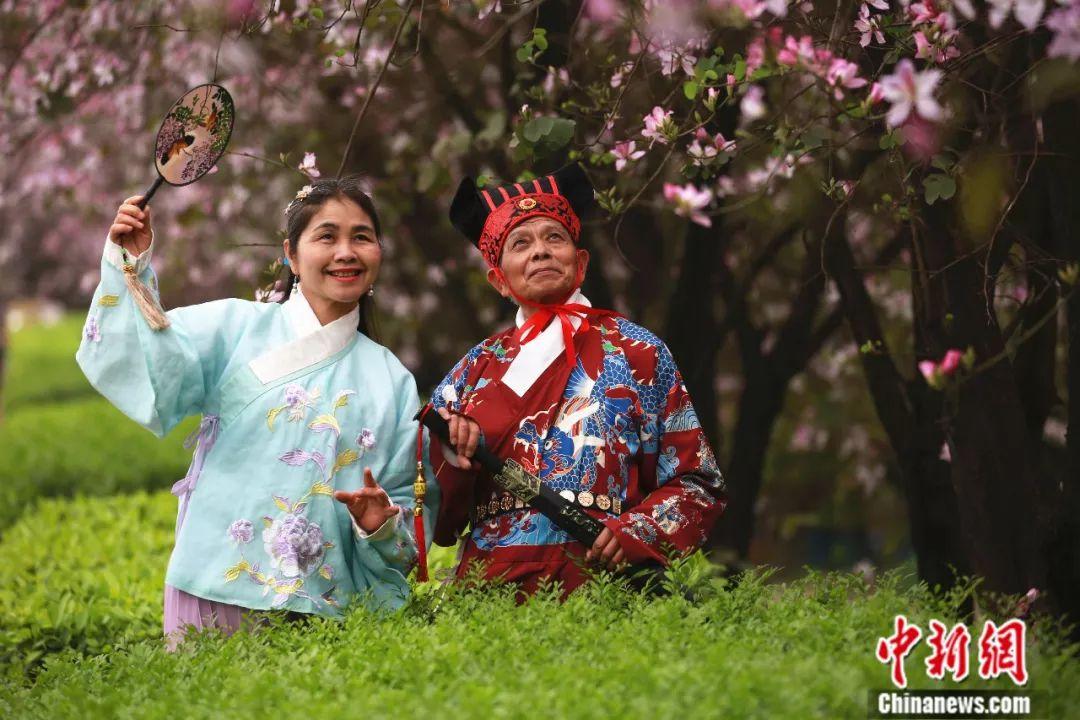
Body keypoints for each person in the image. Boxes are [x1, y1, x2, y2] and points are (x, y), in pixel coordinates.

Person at [77, 175, 438, 648]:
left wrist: (379, 524)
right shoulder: (233, 327)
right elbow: (153, 356)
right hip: (215, 584)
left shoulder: (392, 380)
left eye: (361, 237)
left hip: (328, 607)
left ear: (379, 253)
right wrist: (130, 264)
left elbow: (411, 511)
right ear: (291, 255)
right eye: (327, 236)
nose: (345, 252)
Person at [427, 164, 726, 596]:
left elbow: (699, 483)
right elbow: (431, 509)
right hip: (488, 597)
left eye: (554, 238)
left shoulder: (637, 352)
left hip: (601, 587)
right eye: (520, 243)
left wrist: (637, 533)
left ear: (581, 262)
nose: (541, 252)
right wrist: (453, 457)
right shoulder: (471, 373)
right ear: (499, 280)